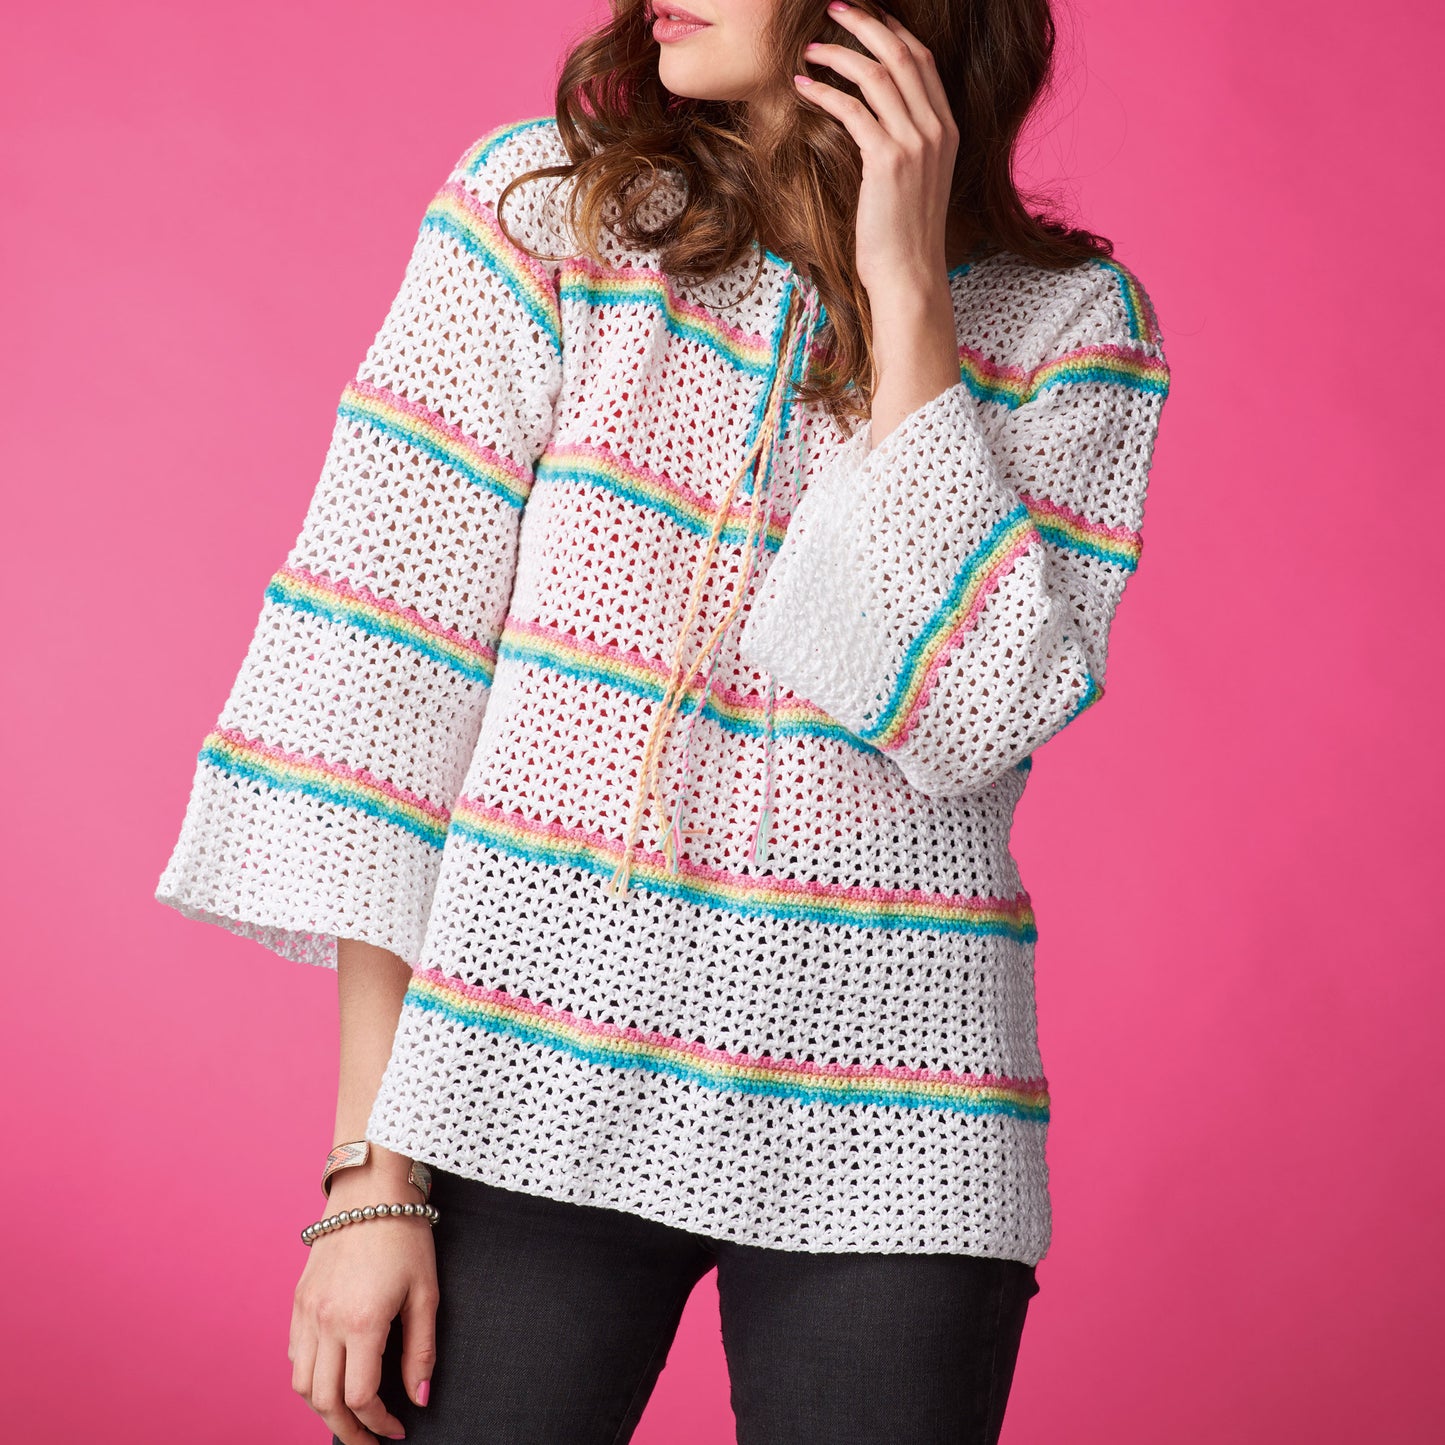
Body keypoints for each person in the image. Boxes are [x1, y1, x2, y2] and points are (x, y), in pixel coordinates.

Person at [154, 1, 1171, 1441]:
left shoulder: (1071, 329)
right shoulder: (540, 222)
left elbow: (973, 713)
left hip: (899, 1131)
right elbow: (377, 702)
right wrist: (370, 1176)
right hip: (518, 1083)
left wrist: (909, 305)